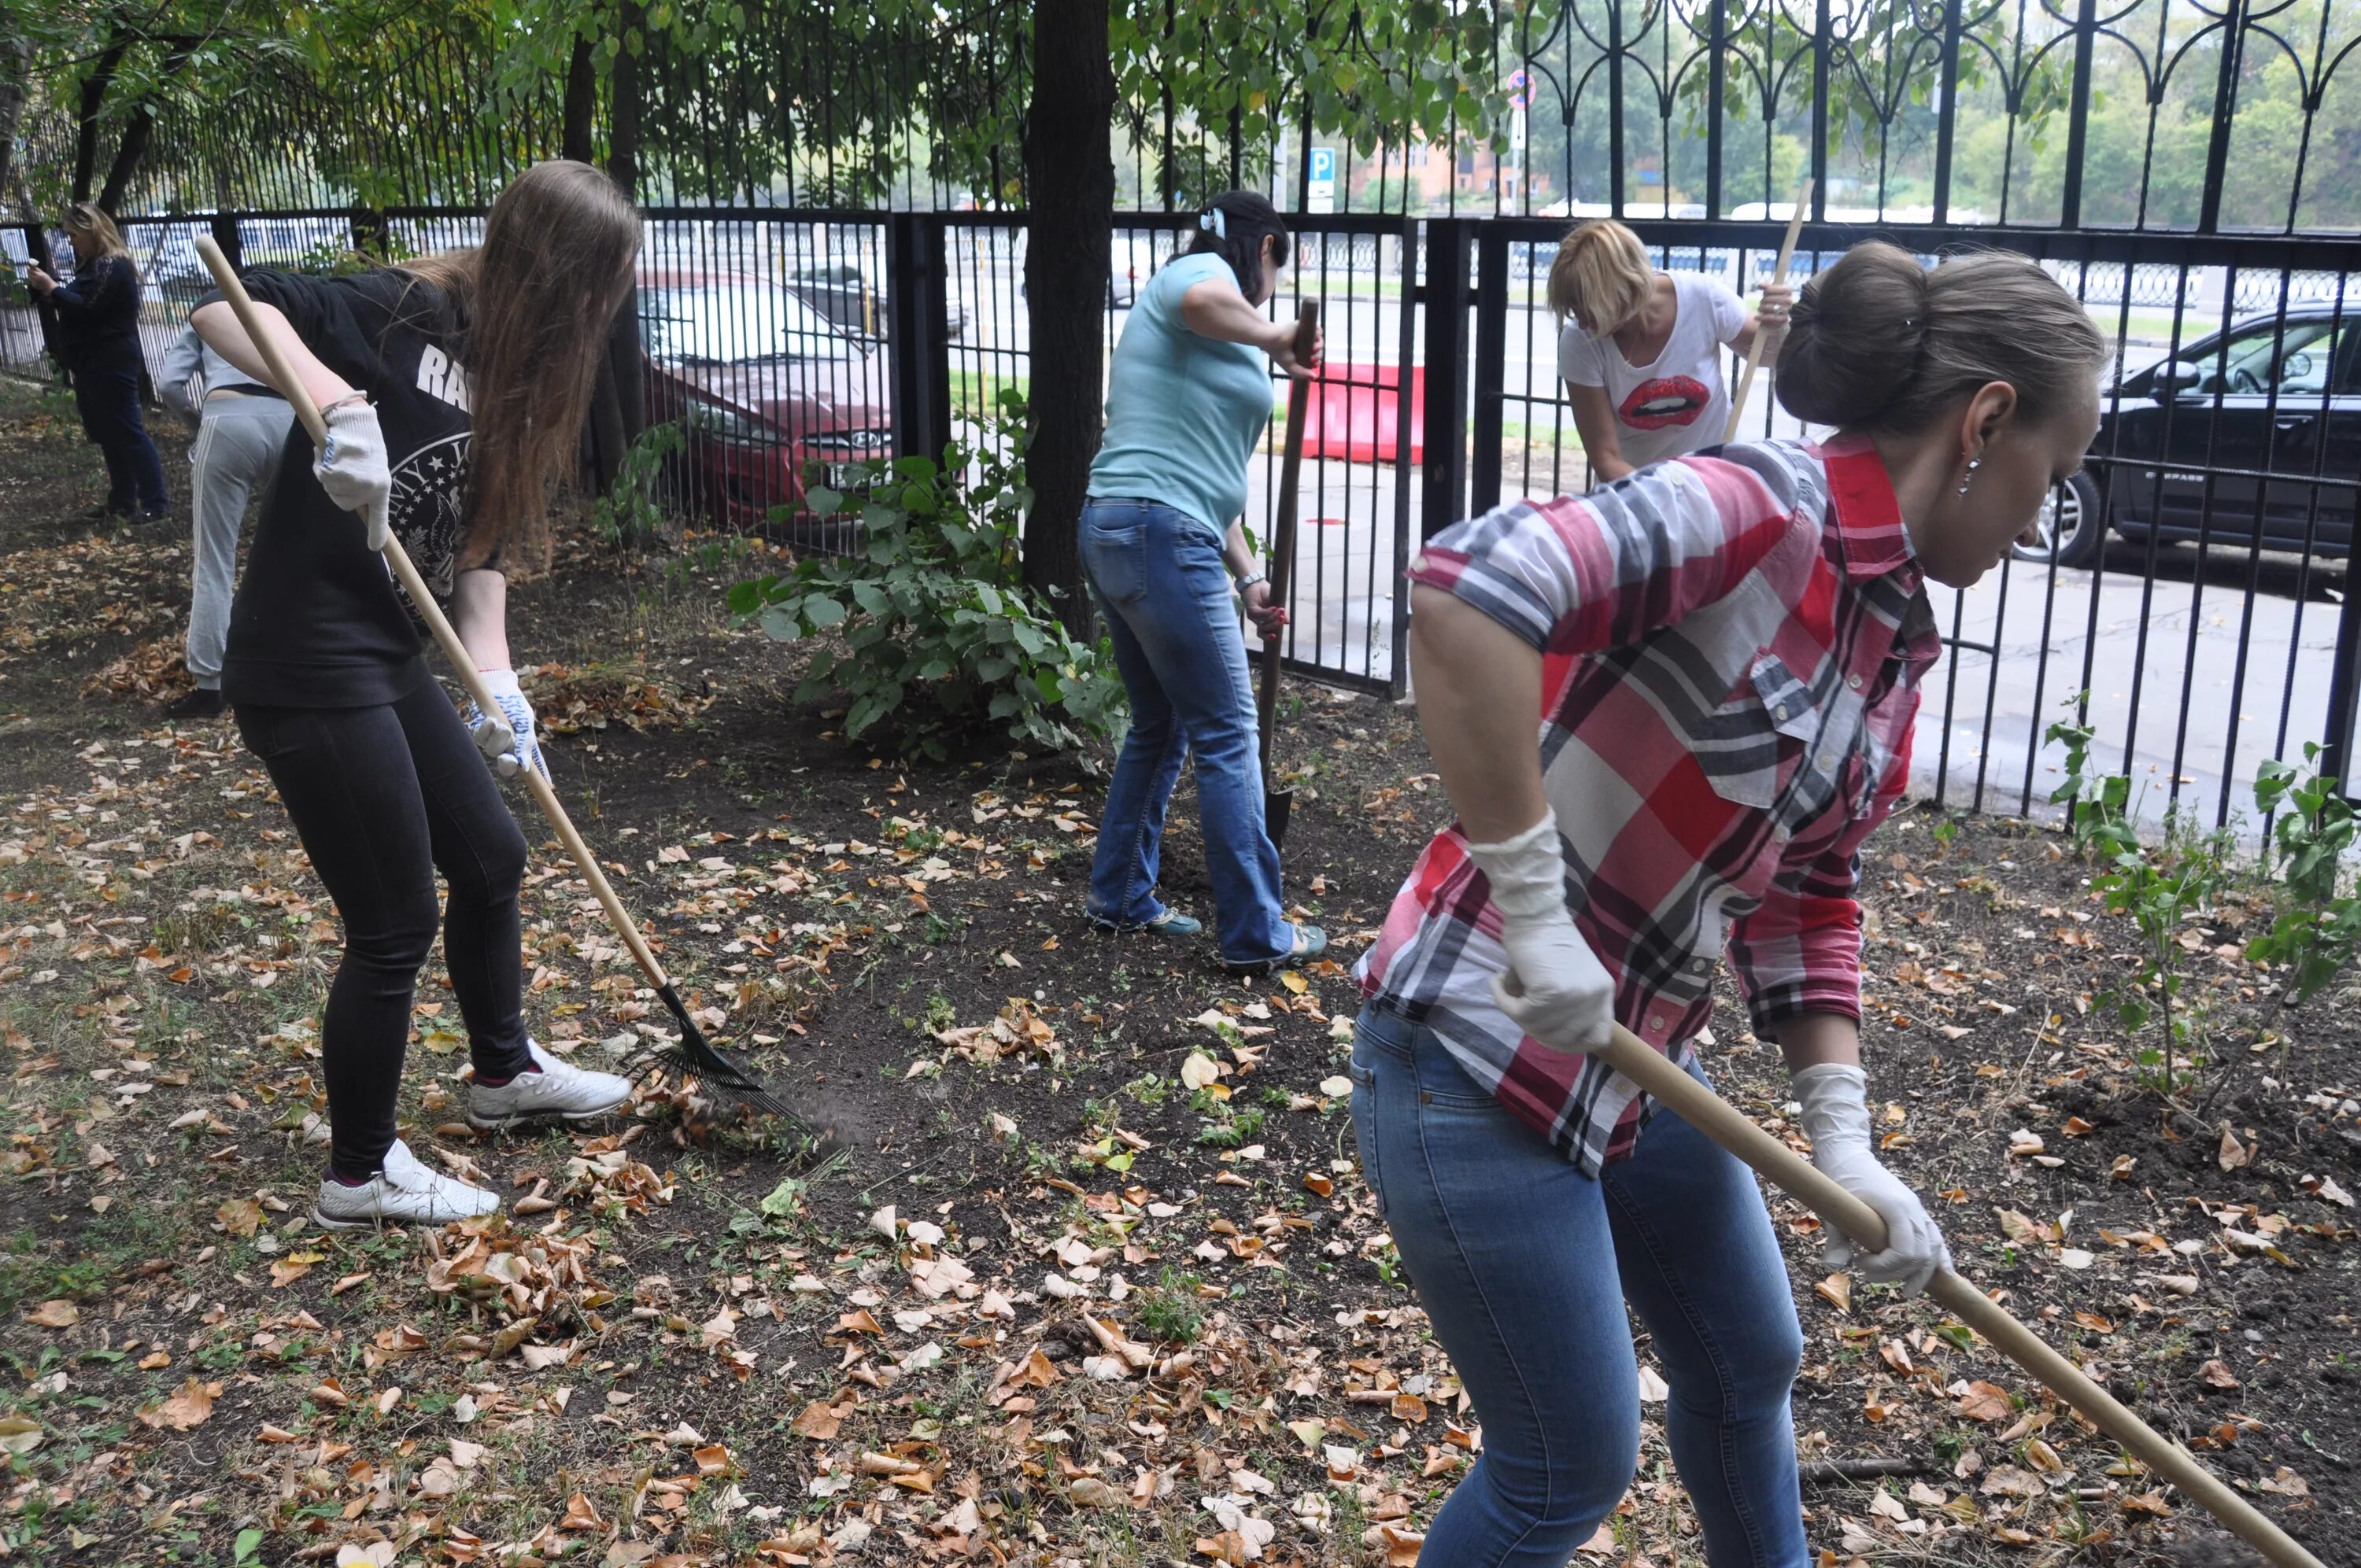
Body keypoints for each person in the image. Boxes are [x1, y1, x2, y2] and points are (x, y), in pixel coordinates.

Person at [1352, 241, 2106, 1566]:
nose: (2044, 517)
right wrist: (1534, 910)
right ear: (1987, 422)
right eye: (2054, 470)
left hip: (1635, 1060)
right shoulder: (1761, 508)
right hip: (1471, 1040)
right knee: (1567, 1459)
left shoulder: (1888, 638)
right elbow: (1468, 594)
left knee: (1751, 1352)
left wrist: (1842, 1135)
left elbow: (1812, 886)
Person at [190, 160, 644, 1229]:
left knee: (491, 857)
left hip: (388, 655)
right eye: (602, 284)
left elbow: (475, 558)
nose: (608, 309)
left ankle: (503, 1074)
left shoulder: (525, 372)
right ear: (556, 270)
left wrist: (497, 686)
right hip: (305, 663)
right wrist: (337, 403)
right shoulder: (400, 310)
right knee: (393, 920)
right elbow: (218, 303)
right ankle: (360, 1174)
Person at [1080, 190, 1326, 973]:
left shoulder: (1220, 340)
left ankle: (1118, 894)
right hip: (1155, 531)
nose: (1273, 286)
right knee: (1227, 728)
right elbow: (1202, 294)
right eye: (1275, 265)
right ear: (1259, 249)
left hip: (1129, 525)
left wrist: (1249, 577)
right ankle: (1257, 933)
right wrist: (1277, 333)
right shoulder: (1191, 278)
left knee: (1162, 722)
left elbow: (1199, 474)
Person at [1550, 216, 1794, 482]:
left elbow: (1769, 356)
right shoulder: (1580, 341)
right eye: (1575, 311)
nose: (1584, 323)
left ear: (1624, 289)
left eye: (1591, 311)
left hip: (1717, 478)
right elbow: (1607, 459)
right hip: (1636, 490)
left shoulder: (1704, 299)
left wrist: (1777, 325)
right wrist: (1670, 498)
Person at [158, 322, 296, 721]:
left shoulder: (206, 315)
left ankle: (211, 686)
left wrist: (197, 425)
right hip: (289, 419)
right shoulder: (285, 308)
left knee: (215, 559)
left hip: (228, 417)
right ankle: (292, 662)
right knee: (296, 550)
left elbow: (169, 384)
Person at [25, 202, 169, 522]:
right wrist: (46, 290)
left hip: (110, 360)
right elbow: (78, 301)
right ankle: (122, 501)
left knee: (128, 431)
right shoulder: (93, 266)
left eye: (74, 235)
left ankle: (155, 504)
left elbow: (87, 307)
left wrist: (53, 289)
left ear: (93, 231)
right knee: (109, 431)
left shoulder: (111, 266)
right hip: (92, 361)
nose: (71, 242)